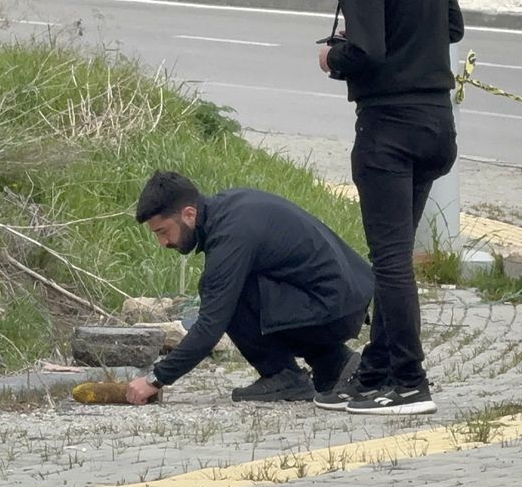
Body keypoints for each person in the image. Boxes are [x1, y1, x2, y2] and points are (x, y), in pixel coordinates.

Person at [299, 0, 463, 415]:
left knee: (391, 263)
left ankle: (410, 382)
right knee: (396, 258)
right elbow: (452, 28)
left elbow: (366, 52)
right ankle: (375, 371)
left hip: (389, 129)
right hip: (437, 125)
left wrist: (332, 57)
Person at [125, 171, 374, 406]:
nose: (163, 242)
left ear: (189, 214)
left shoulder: (230, 235)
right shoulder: (229, 209)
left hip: (335, 310)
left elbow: (211, 325)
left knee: (225, 294)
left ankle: (283, 375)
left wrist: (155, 379)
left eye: (163, 231)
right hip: (344, 302)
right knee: (229, 285)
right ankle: (334, 364)